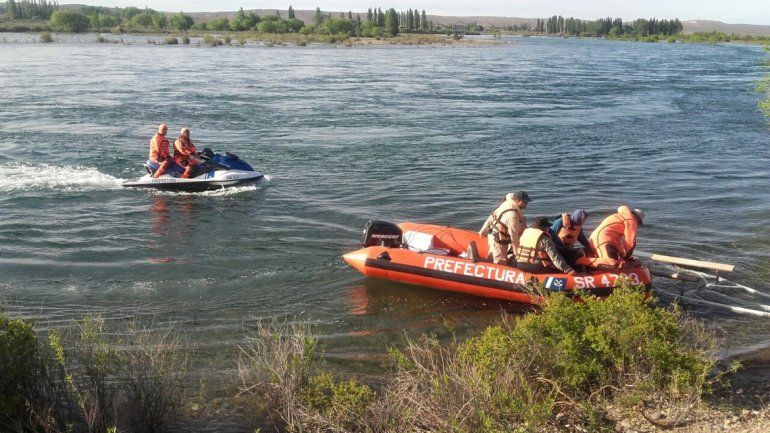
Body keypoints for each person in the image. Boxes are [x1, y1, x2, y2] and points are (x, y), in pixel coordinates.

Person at [479, 190, 531, 265]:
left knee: (494, 256)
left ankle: (488, 261)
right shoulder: (512, 216)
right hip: (498, 239)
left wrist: (483, 230)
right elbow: (514, 235)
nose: (527, 204)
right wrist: (517, 253)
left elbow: (491, 217)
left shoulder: (507, 203)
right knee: (500, 261)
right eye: (525, 202)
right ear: (518, 201)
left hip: (498, 236)